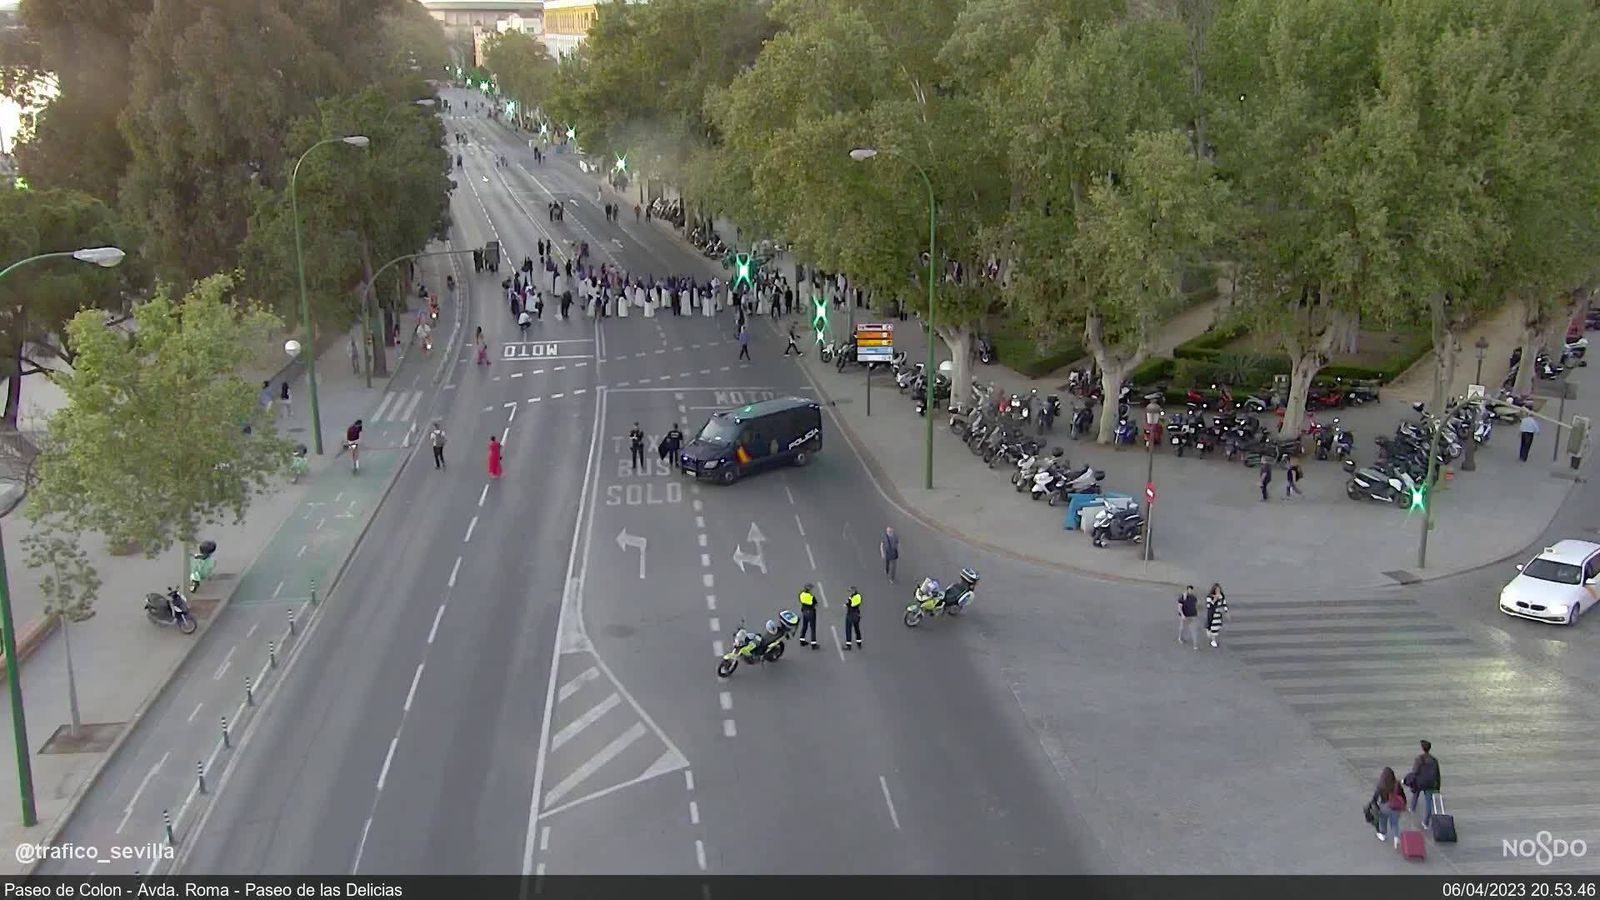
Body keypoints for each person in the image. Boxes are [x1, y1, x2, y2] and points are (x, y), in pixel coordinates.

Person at [1406, 740, 1442, 828]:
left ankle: (1412, 808)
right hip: (1430, 783)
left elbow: (1414, 772)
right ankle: (1426, 822)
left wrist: (1410, 781)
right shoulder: (1434, 760)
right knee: (1428, 803)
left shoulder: (1419, 759)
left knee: (1415, 794)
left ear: (1422, 748)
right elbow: (1438, 774)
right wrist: (1437, 786)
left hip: (1420, 782)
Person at [1370, 767, 1406, 846]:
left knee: (1383, 819)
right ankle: (1396, 837)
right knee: (1394, 823)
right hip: (1396, 808)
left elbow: (1374, 799)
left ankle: (1383, 834)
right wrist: (1404, 806)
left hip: (1384, 807)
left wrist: (1375, 807)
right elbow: (1402, 796)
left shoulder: (1381, 785)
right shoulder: (1397, 784)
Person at [1204, 583, 1228, 648]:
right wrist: (1214, 600)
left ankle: (1211, 633)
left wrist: (1226, 611)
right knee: (1213, 627)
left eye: (1219, 590)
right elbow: (1208, 606)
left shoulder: (1222, 596)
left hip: (1219, 614)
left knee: (1217, 627)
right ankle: (1213, 640)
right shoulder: (1209, 597)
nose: (1218, 591)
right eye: (1216, 590)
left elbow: (1224, 604)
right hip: (1213, 613)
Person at [797, 583, 818, 648]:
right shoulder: (811, 596)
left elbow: (800, 600)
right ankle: (813, 644)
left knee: (804, 626)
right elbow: (815, 604)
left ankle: (802, 640)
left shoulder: (801, 594)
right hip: (811, 612)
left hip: (804, 611)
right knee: (812, 628)